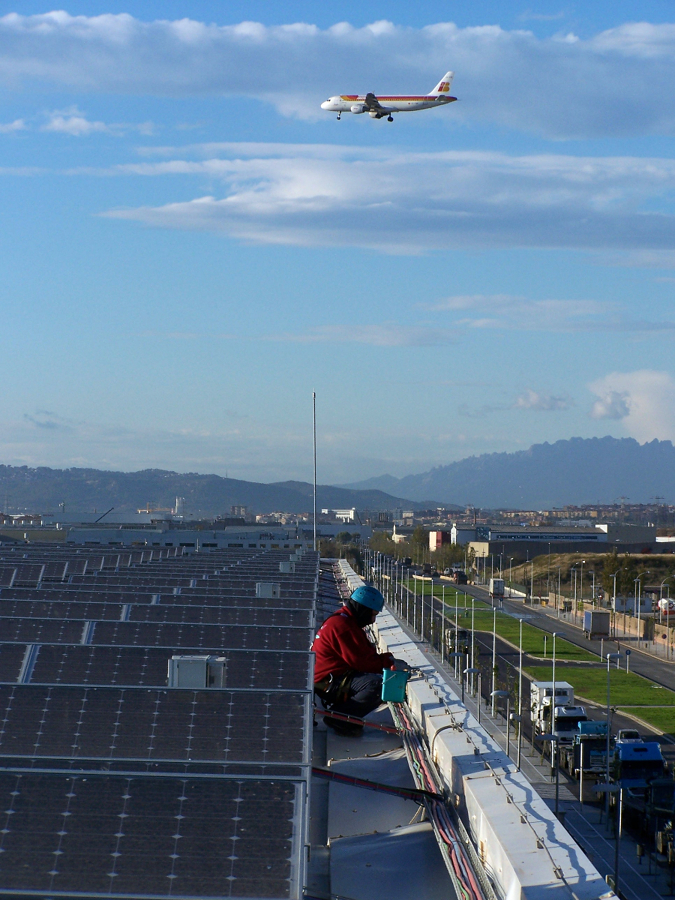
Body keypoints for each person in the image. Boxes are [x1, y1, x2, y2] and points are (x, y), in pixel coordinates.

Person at [312, 584, 399, 736]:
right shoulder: (343, 626)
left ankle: (343, 713)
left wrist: (385, 659)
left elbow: (364, 654)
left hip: (330, 678)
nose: (372, 620)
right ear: (362, 610)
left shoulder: (343, 620)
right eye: (372, 614)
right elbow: (363, 663)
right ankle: (340, 718)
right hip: (329, 683)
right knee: (378, 684)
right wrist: (389, 663)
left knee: (374, 679)